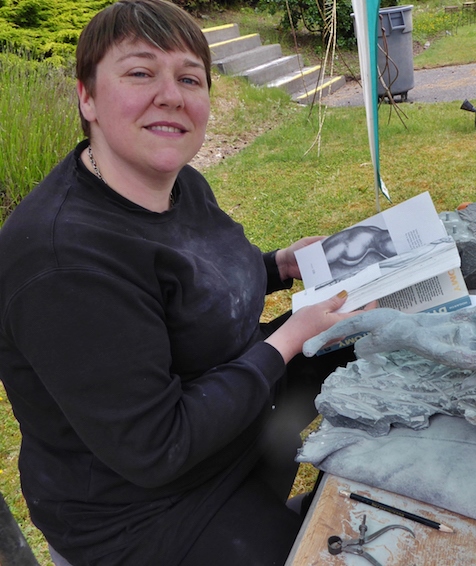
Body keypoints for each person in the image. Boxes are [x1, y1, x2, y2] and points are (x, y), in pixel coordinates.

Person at [0, 1, 364, 564]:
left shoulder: (180, 184)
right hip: (144, 512)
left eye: (189, 78)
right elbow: (156, 445)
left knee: (382, 349)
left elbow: (183, 290)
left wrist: (278, 267)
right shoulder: (61, 259)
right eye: (141, 72)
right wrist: (290, 337)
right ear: (87, 97)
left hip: (236, 427)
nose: (171, 95)